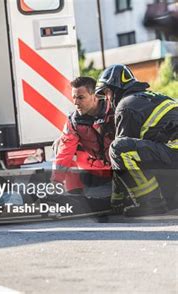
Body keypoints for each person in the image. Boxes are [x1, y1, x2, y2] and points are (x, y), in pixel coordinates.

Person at [95, 64, 178, 216]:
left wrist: (116, 200)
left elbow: (120, 158)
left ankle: (151, 203)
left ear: (116, 89)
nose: (106, 98)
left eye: (106, 92)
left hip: (173, 155)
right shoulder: (155, 97)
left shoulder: (126, 106)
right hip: (172, 155)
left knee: (118, 148)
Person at [52, 77, 115, 194]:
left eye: (81, 98)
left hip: (118, 170)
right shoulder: (74, 121)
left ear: (95, 96)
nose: (75, 103)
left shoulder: (114, 112)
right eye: (74, 98)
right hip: (92, 172)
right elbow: (65, 151)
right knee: (60, 144)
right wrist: (56, 180)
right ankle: (75, 194)